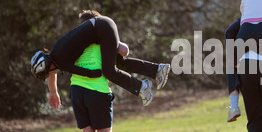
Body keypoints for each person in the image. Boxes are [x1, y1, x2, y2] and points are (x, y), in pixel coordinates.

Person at [31, 10, 170, 106]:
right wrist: (53, 92)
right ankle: (157, 70)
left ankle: (142, 87)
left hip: (102, 29)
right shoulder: (56, 51)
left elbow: (83, 72)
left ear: (49, 66)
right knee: (120, 63)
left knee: (109, 71)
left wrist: (96, 73)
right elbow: (53, 73)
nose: (50, 75)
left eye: (47, 72)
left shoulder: (61, 61)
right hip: (103, 25)